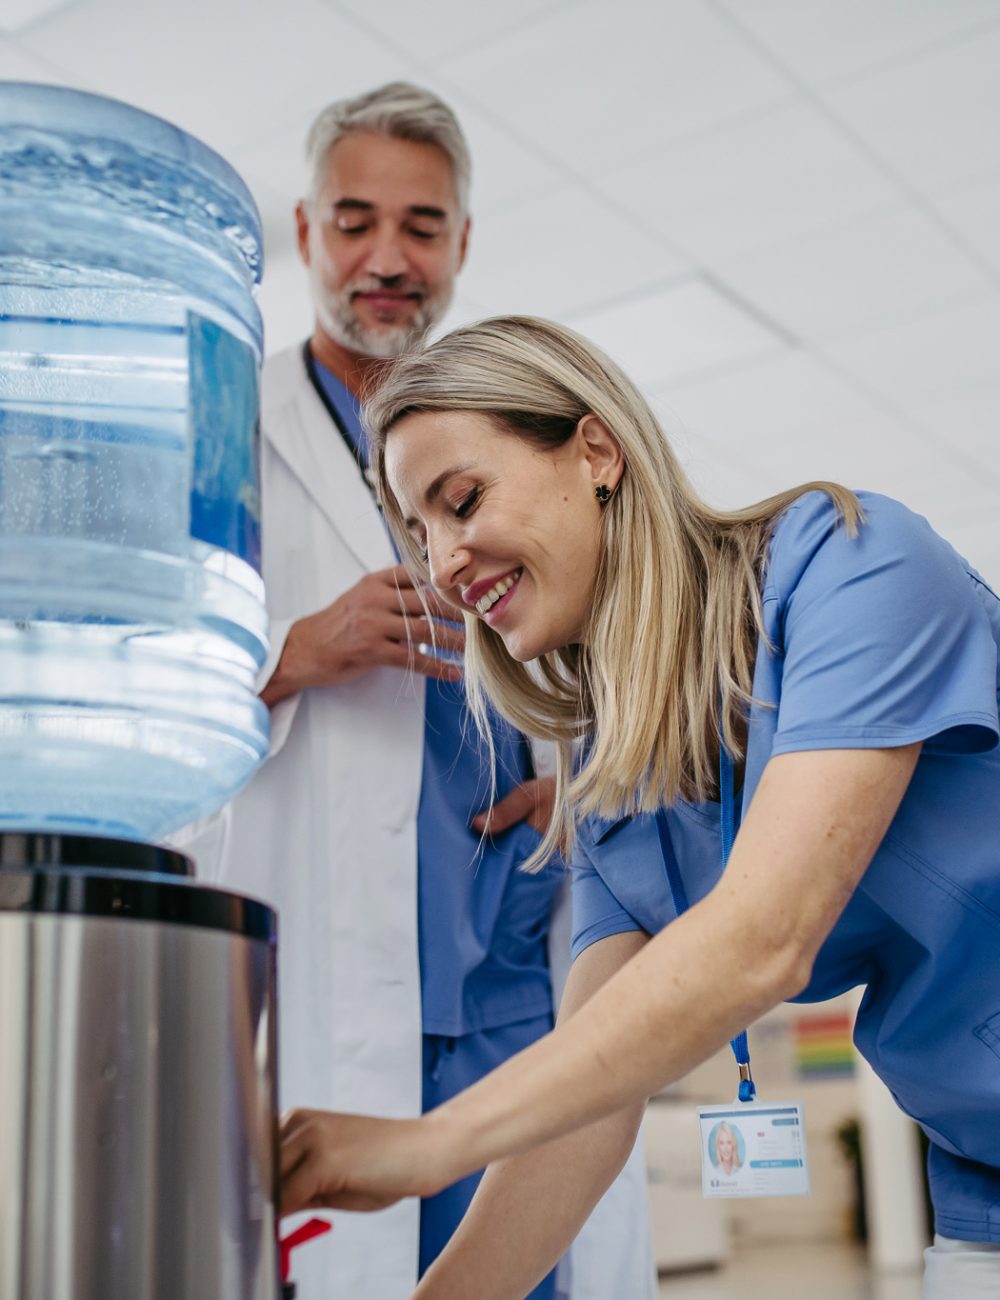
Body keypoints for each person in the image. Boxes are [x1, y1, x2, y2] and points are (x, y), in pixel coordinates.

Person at [278, 315, 1000, 1300]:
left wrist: (430, 1144)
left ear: (596, 451)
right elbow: (585, 1107)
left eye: (462, 500)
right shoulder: (620, 784)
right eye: (420, 532)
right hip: (980, 1177)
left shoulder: (852, 569)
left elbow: (763, 939)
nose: (443, 562)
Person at [194, 92, 653, 1298]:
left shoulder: (524, 426)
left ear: (460, 243)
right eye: (355, 222)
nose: (388, 258)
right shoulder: (232, 429)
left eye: (422, 225)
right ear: (304, 232)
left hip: (511, 964)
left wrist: (588, 768)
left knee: (529, 1256)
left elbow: (617, 638)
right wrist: (295, 647)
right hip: (335, 976)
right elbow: (138, 680)